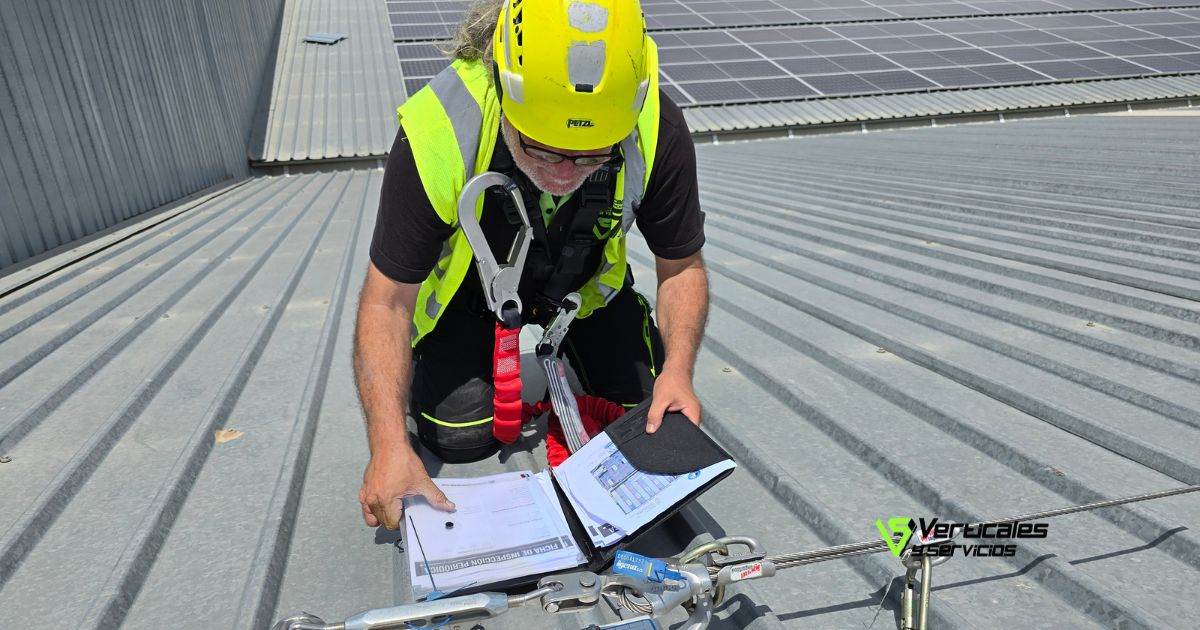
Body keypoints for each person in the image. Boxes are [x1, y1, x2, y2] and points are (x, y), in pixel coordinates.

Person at [353, 0, 709, 530]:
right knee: (457, 435)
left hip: (586, 291)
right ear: (504, 89)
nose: (566, 172)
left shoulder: (656, 125)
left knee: (644, 417)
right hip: (472, 296)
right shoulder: (440, 128)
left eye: (593, 156)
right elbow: (387, 299)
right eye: (542, 149)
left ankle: (583, 350)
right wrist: (386, 445)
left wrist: (679, 371)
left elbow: (681, 266)